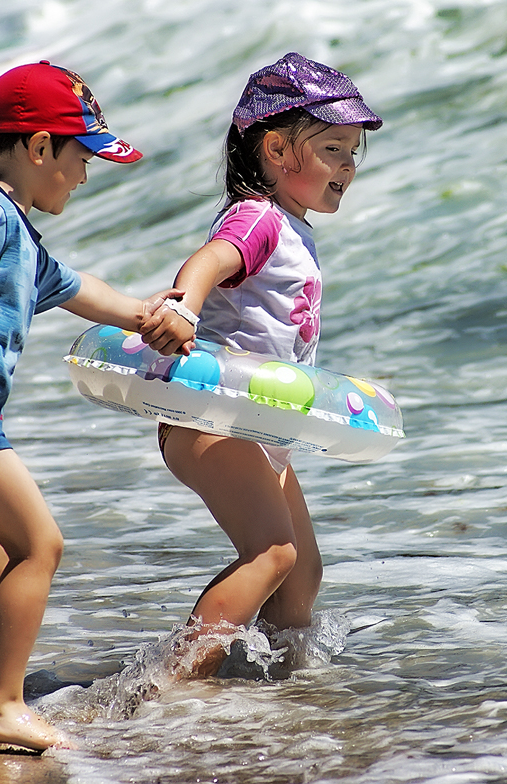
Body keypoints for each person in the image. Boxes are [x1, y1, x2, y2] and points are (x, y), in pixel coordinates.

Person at [0, 61, 197, 753]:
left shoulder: (20, 236)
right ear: (41, 147)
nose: (84, 177)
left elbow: (82, 290)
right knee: (40, 546)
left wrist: (148, 314)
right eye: (81, 159)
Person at [158, 52, 382, 677]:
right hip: (215, 418)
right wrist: (184, 306)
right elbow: (211, 260)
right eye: (334, 148)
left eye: (353, 152)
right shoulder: (258, 218)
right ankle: (169, 688)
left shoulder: (291, 226)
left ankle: (267, 691)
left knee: (301, 574)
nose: (349, 165)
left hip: (262, 428)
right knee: (272, 554)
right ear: (279, 151)